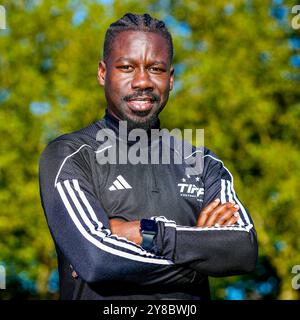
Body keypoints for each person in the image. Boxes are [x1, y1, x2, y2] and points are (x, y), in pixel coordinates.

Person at [39, 13, 258, 300]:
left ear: (171, 79)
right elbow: (97, 260)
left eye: (155, 69)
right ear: (103, 73)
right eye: (127, 67)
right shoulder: (70, 155)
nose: (142, 81)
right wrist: (199, 259)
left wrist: (146, 232)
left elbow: (243, 249)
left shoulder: (203, 163)